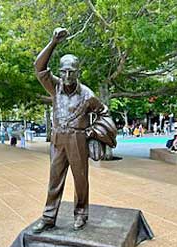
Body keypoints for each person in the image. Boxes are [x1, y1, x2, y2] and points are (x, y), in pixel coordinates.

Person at [32, 27, 116, 233]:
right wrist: (53, 42)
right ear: (59, 72)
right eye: (63, 71)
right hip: (58, 139)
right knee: (54, 179)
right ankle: (49, 217)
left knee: (80, 180)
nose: (67, 75)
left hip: (78, 140)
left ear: (78, 72)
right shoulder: (55, 87)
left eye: (71, 71)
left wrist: (92, 132)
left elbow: (104, 112)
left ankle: (81, 214)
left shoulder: (87, 95)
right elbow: (38, 67)